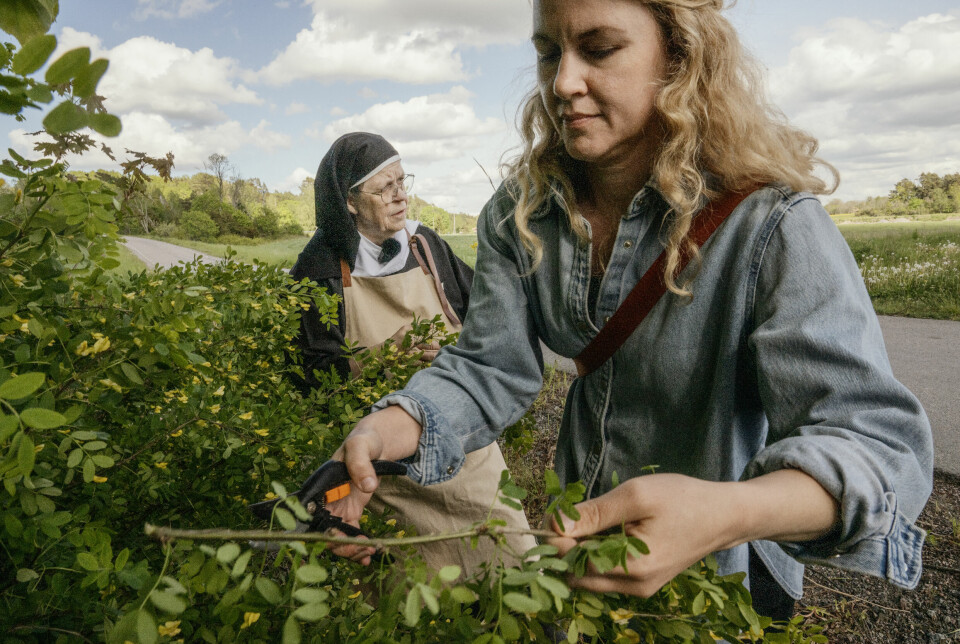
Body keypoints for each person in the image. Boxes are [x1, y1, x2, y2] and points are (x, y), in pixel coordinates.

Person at [328, 0, 933, 622]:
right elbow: (488, 367)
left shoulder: (770, 224)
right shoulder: (522, 213)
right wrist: (385, 431)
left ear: (679, 56)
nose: (562, 82)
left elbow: (882, 450)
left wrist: (728, 514)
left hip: (721, 584)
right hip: (582, 553)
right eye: (547, 52)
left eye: (600, 48)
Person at [290, 132, 535, 575]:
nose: (401, 195)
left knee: (512, 558)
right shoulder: (319, 269)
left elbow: (488, 318)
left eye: (403, 181)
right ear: (349, 202)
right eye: (384, 187)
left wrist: (454, 348)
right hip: (378, 464)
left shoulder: (426, 245)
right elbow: (309, 376)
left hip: (461, 439)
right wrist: (385, 356)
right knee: (406, 587)